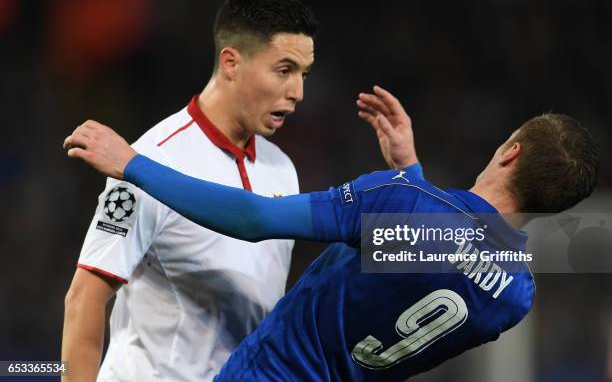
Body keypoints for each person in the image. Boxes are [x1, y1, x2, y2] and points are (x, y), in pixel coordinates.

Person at [65, 85, 599, 381]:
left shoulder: (399, 203)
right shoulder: (516, 295)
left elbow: (255, 219)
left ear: (511, 152)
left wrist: (133, 163)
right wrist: (409, 172)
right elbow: (432, 259)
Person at [62, 0, 331, 382]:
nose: (298, 92)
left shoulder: (282, 169)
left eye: (303, 74)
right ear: (231, 63)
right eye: (284, 70)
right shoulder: (149, 162)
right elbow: (83, 301)